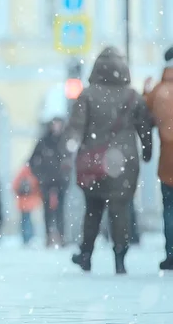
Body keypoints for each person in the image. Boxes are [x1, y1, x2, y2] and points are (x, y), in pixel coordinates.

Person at [66, 47, 152, 274]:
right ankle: (120, 258)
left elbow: (75, 127)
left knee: (92, 210)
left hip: (93, 162)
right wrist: (147, 151)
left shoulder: (87, 95)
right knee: (120, 209)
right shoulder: (133, 96)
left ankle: (86, 255)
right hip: (123, 162)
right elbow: (145, 127)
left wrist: (70, 148)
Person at [143, 45, 173, 270]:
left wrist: (145, 91)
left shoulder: (160, 90)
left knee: (169, 210)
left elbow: (144, 112)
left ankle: (171, 255)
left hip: (168, 163)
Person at [30, 117, 70, 247]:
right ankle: (49, 237)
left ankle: (61, 236)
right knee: (47, 210)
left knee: (60, 210)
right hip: (46, 181)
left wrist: (66, 173)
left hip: (60, 181)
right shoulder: (44, 141)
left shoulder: (64, 141)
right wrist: (40, 175)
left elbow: (71, 159)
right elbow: (32, 161)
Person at [12, 162, 42, 245]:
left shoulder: (21, 173)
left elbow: (14, 186)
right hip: (31, 201)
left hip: (22, 202)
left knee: (24, 220)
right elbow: (38, 188)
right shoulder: (33, 174)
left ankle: (25, 238)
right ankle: (30, 237)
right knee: (29, 220)